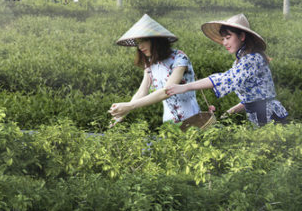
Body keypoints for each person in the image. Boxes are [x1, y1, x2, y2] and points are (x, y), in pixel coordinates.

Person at [162, 14, 290, 126]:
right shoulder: (240, 61)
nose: (224, 43)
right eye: (223, 39)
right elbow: (254, 97)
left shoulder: (252, 59)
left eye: (228, 38)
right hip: (261, 117)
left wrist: (185, 87)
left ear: (242, 36)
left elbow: (225, 78)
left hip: (270, 117)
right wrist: (228, 113)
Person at [107, 15, 208, 128]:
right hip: (169, 124)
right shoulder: (150, 63)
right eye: (137, 42)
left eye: (144, 40)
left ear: (156, 41)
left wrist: (129, 106)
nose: (140, 46)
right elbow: (142, 91)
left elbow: (167, 91)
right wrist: (123, 113)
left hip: (192, 121)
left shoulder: (179, 58)